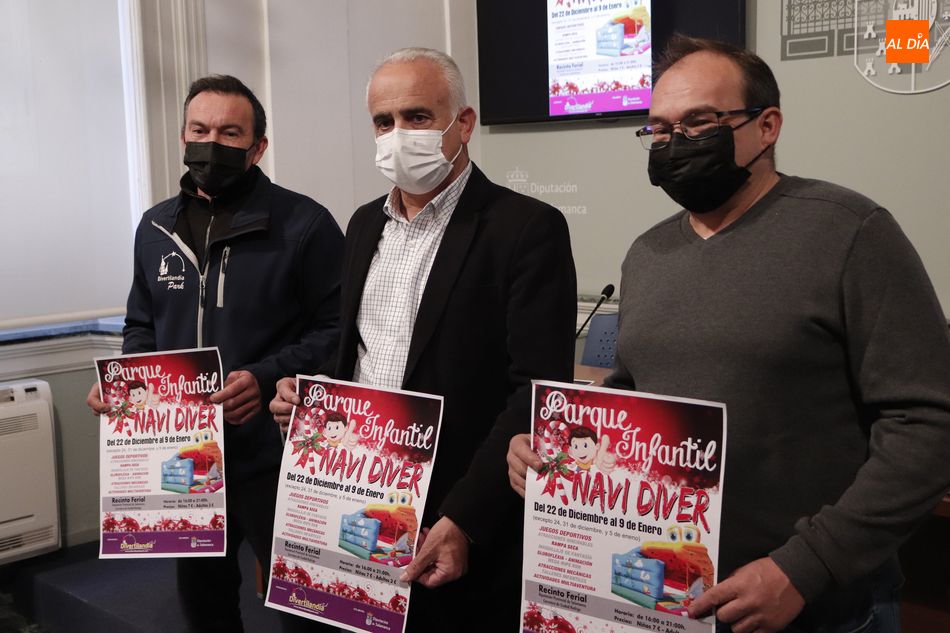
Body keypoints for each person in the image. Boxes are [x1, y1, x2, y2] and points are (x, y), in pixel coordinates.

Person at [508, 35, 950, 633]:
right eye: (659, 130)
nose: (674, 143)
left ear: (766, 126)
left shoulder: (852, 232)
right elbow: (636, 396)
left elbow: (928, 422)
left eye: (699, 122)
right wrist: (556, 446)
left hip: (823, 606)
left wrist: (807, 565)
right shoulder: (648, 252)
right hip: (669, 598)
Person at [270, 47, 577, 632]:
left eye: (416, 117)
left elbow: (536, 391)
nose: (397, 135)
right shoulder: (362, 224)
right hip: (353, 498)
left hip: (451, 516)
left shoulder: (525, 229)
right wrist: (310, 399)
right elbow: (358, 359)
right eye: (383, 123)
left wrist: (465, 517)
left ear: (463, 124)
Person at [87, 74, 344, 633]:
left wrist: (266, 374)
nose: (212, 143)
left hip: (275, 454)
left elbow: (337, 332)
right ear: (183, 135)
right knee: (204, 604)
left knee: (306, 608)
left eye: (230, 132)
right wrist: (127, 381)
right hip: (183, 454)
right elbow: (142, 325)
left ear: (258, 147)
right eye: (200, 129)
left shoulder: (305, 224)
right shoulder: (154, 227)